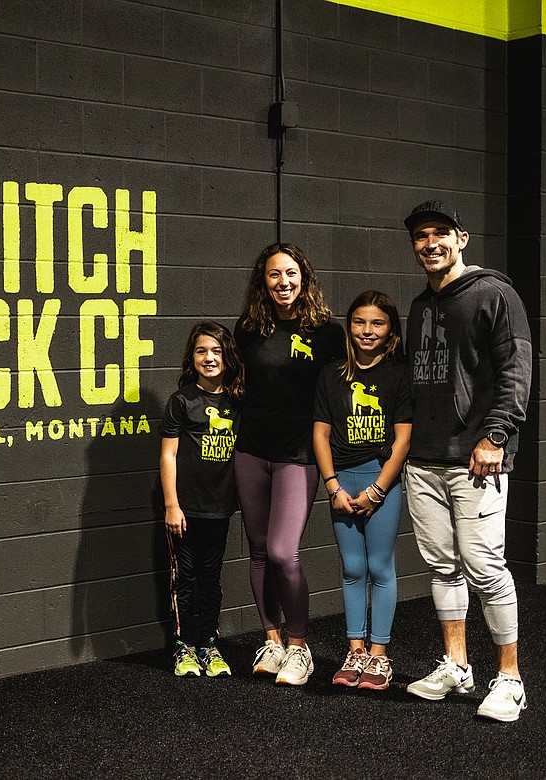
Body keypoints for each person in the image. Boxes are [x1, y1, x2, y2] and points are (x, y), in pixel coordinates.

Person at [401, 200, 533, 721]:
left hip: (477, 459)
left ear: (462, 239)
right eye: (420, 237)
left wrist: (495, 437)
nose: (430, 243)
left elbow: (516, 372)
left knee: (486, 569)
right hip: (425, 460)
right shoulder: (420, 306)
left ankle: (510, 679)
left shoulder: (494, 294)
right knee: (442, 567)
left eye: (440, 234)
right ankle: (457, 667)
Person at [234, 243, 345, 685]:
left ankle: (300, 647)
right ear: (263, 281)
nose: (284, 282)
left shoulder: (328, 332)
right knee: (259, 551)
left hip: (298, 451)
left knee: (284, 552)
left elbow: (340, 394)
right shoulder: (247, 329)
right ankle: (272, 640)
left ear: (305, 277)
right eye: (274, 275)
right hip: (250, 448)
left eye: (291, 273)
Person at [313, 291, 412, 691]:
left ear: (390, 331)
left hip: (380, 480)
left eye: (377, 323)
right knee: (353, 568)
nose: (367, 331)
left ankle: (379, 655)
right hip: (342, 482)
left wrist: (378, 489)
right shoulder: (330, 374)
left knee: (379, 568)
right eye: (359, 322)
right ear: (349, 326)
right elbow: (320, 434)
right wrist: (332, 486)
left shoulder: (397, 375)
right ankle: (355, 651)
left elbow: (403, 439)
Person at [159, 321, 245, 678]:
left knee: (211, 577)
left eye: (216, 351)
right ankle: (185, 648)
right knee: (186, 577)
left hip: (219, 508)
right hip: (185, 510)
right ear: (192, 357)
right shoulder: (182, 401)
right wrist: (171, 505)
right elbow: (167, 456)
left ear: (227, 357)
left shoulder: (238, 401)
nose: (209, 358)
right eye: (201, 351)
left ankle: (209, 645)